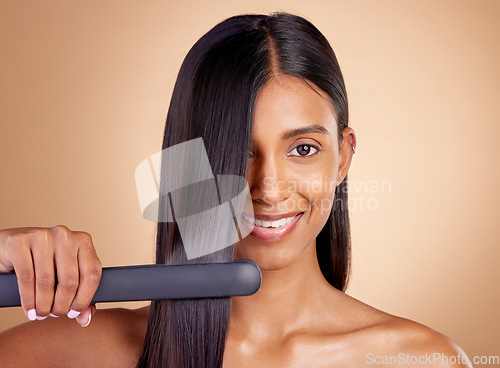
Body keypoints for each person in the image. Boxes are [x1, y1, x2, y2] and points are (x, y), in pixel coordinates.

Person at [0, 11, 471, 368]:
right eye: (236, 151)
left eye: (303, 149)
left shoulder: (421, 359)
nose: (267, 187)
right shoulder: (67, 351)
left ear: (344, 156)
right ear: (187, 167)